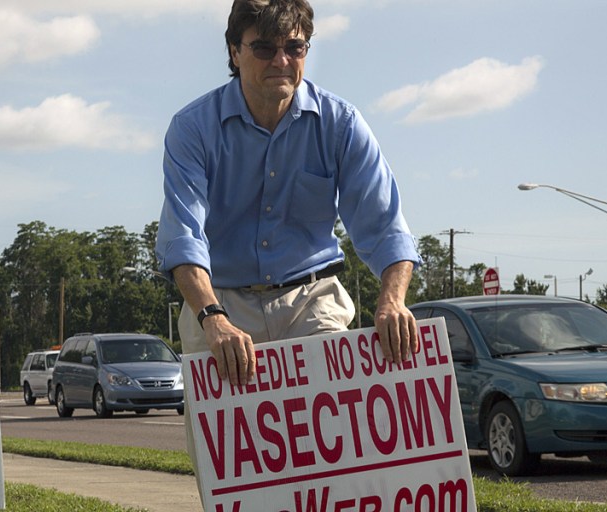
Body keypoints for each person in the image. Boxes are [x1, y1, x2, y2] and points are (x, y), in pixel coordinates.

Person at [156, 0, 421, 382]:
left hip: (312, 304)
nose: (281, 61)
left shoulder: (341, 124)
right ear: (234, 51)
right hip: (220, 304)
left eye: (294, 48)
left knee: (333, 435)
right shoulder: (192, 128)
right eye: (264, 48)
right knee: (229, 442)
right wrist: (212, 317)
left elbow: (386, 227)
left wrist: (392, 300)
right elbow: (183, 237)